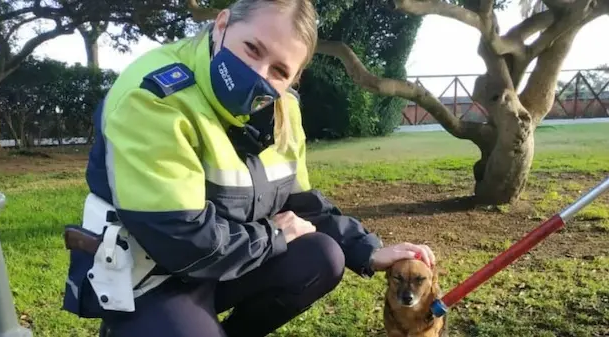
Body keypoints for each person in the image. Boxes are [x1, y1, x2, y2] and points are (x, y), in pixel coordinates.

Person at [61, 0, 436, 336]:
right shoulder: (154, 98)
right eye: (252, 48)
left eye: (279, 70)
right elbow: (180, 239)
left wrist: (366, 250)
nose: (258, 72)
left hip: (230, 259)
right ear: (222, 25)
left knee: (324, 256)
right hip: (149, 275)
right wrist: (271, 236)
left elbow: (299, 203)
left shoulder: (283, 109)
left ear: (293, 79)